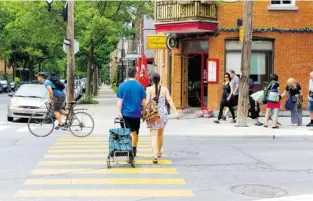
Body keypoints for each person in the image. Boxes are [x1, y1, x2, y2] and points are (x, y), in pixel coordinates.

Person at [145, 73, 179, 164]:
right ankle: (159, 152)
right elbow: (170, 100)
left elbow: (147, 102)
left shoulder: (148, 89)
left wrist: (144, 112)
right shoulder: (165, 89)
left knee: (153, 135)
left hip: (153, 112)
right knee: (160, 134)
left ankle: (155, 155)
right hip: (163, 114)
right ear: (160, 80)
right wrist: (175, 111)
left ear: (151, 80)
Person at [117, 67, 146, 157]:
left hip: (125, 114)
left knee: (127, 132)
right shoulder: (140, 86)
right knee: (135, 132)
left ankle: (128, 149)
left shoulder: (122, 86)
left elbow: (119, 102)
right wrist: (144, 113)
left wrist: (118, 112)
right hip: (136, 114)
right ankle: (133, 149)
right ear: (135, 75)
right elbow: (144, 102)